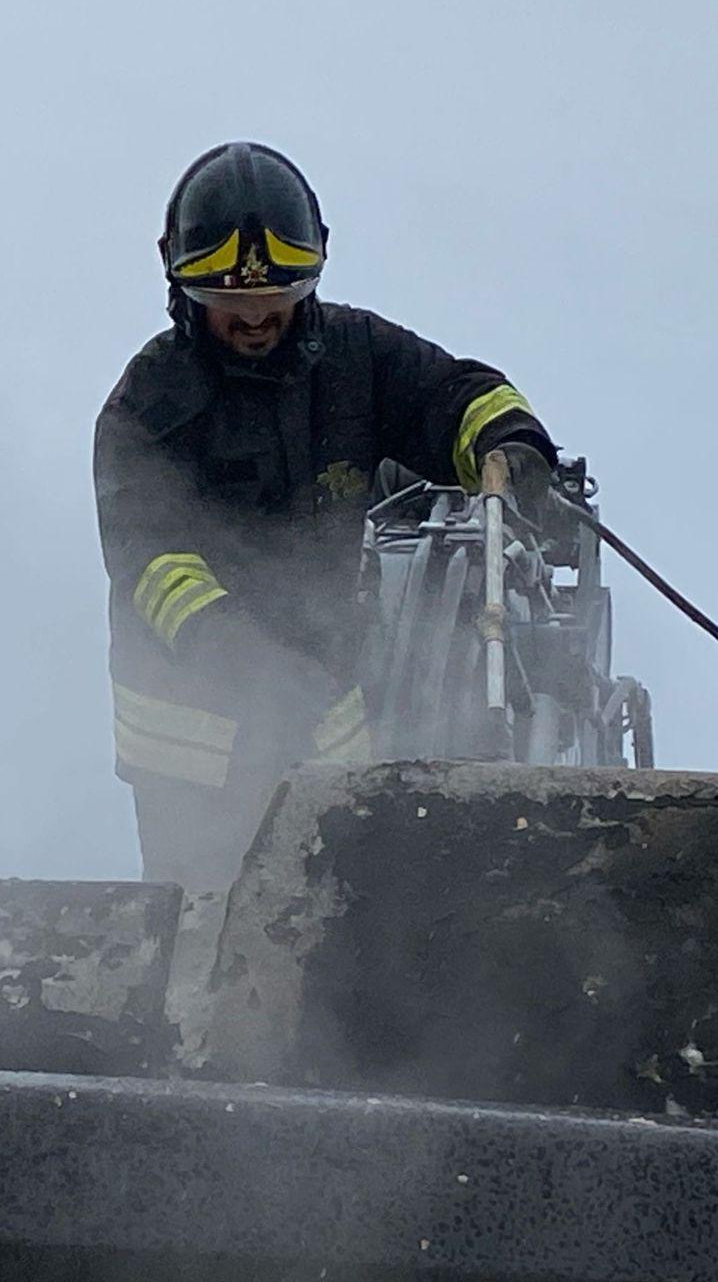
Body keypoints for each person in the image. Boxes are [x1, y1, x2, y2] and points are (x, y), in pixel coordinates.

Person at [94, 142, 556, 890]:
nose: (254, 319)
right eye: (229, 303)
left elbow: (455, 396)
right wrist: (249, 665)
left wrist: (512, 444)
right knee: (204, 937)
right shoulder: (146, 408)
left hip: (324, 713)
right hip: (193, 748)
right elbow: (152, 561)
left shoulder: (356, 358)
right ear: (179, 281)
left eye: (276, 298)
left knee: (341, 921)